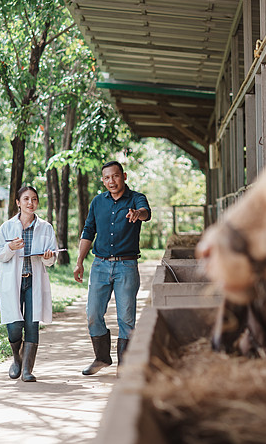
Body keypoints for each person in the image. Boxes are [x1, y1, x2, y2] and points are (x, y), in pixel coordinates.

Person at [74, 160, 151, 375]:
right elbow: (88, 231)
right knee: (92, 314)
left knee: (126, 318)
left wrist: (138, 214)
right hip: (99, 265)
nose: (112, 181)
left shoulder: (136, 198)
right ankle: (101, 358)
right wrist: (79, 262)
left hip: (126, 266)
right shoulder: (98, 202)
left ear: (124, 176)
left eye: (115, 176)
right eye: (107, 177)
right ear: (102, 180)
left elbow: (146, 212)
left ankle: (124, 366)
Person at [0, 185, 57, 382]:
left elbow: (52, 258)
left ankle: (27, 370)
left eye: (34, 199)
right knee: (14, 325)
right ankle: (16, 359)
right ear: (18, 203)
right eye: (26, 199)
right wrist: (10, 247)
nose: (31, 203)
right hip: (13, 282)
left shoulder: (45, 227)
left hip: (33, 282)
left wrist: (48, 256)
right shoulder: (7, 227)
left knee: (31, 324)